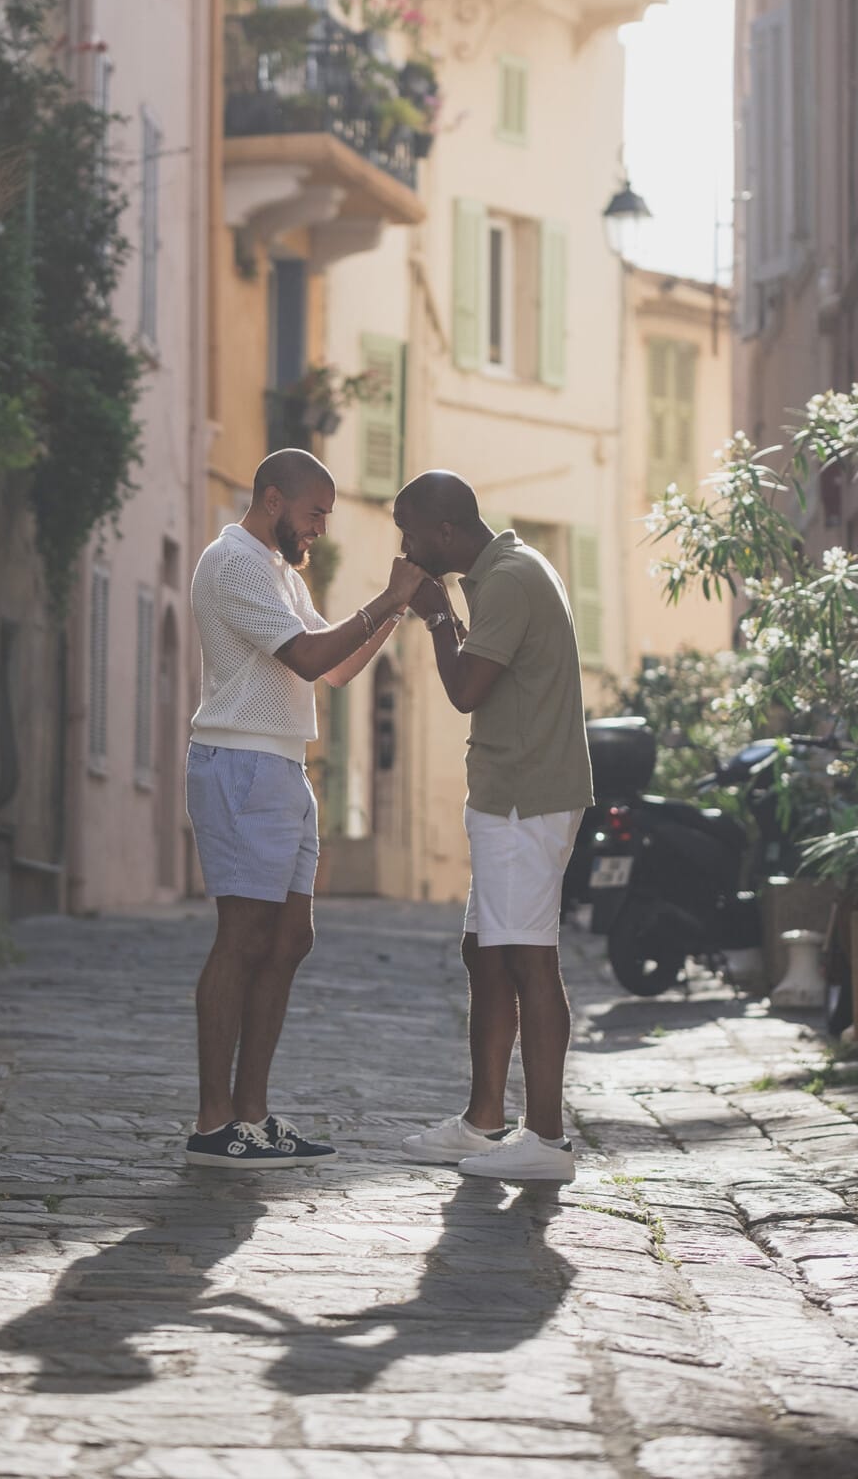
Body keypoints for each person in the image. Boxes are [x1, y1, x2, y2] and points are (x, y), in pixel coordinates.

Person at [185, 447, 426, 1169]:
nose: (320, 527)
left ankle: (253, 1117)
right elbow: (310, 658)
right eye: (315, 512)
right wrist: (385, 598)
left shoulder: (280, 573)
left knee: (291, 937)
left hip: (282, 766)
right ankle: (213, 1123)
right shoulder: (231, 563)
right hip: (241, 764)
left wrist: (397, 607)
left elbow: (340, 665)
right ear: (272, 500)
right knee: (242, 936)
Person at [393, 471, 593, 1183]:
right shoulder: (506, 570)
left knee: (528, 958)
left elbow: (465, 690)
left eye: (410, 533)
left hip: (526, 798)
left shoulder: (506, 580)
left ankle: (547, 1140)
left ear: (444, 532)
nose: (405, 548)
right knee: (484, 952)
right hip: (509, 793)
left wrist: (435, 615)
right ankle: (483, 1124)